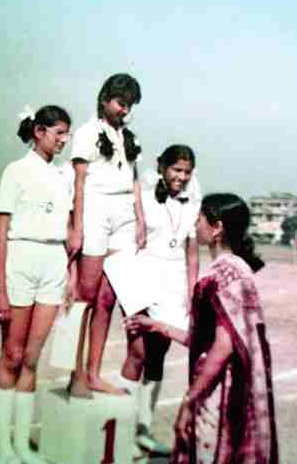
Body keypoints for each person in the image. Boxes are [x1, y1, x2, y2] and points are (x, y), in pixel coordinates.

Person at [126, 193, 279, 464]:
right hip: (229, 392)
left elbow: (222, 348)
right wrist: (158, 326)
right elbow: (203, 342)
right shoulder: (237, 271)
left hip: (219, 395)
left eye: (200, 218)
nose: (195, 224)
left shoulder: (221, 276)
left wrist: (189, 400)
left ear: (217, 228)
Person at [103, 145, 201, 456]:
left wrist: (191, 290)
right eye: (176, 170)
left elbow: (192, 252)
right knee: (138, 352)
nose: (181, 177)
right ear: (162, 167)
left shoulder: (192, 202)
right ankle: (122, 434)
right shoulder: (143, 195)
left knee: (158, 355)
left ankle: (142, 431)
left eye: (186, 172)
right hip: (143, 276)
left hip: (173, 282)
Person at [0, 104, 75, 464]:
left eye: (66, 134)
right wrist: (0, 287)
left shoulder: (63, 175)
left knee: (32, 358)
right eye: (58, 133)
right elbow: (1, 230)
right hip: (20, 259)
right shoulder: (16, 171)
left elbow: (68, 227)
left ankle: (23, 445)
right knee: (11, 354)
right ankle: (4, 446)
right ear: (38, 131)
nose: (63, 140)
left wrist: (68, 273)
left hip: (53, 262)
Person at [66, 73, 146, 397]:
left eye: (130, 106)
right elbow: (80, 183)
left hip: (124, 217)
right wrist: (77, 226)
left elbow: (136, 180)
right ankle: (76, 376)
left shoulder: (130, 138)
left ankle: (95, 373)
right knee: (85, 297)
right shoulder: (86, 133)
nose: (125, 111)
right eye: (121, 104)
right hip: (95, 212)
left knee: (107, 299)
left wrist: (140, 219)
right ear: (105, 99)